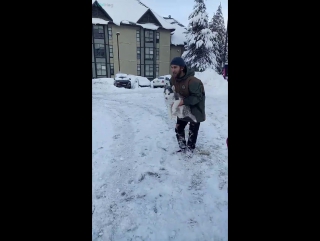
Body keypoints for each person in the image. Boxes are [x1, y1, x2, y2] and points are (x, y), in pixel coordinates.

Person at [169, 57, 206, 157]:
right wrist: (173, 100)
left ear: (181, 68)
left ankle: (190, 149)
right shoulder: (173, 79)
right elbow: (173, 91)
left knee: (192, 131)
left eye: (175, 67)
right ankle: (182, 148)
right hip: (182, 109)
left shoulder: (193, 81)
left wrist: (183, 101)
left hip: (195, 109)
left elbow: (197, 97)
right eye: (171, 67)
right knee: (178, 128)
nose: (173, 70)